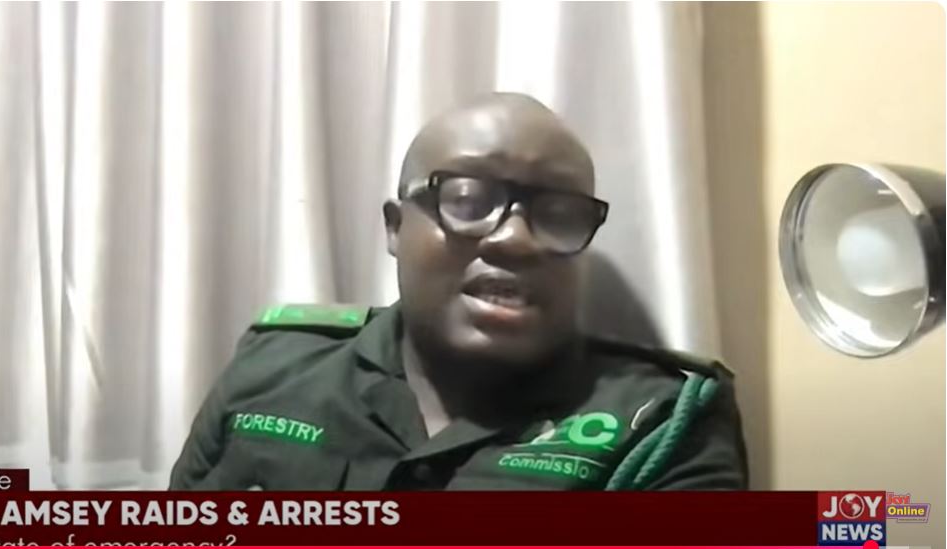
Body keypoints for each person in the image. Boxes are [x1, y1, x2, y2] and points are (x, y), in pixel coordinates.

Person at [170, 92, 748, 491]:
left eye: (558, 213)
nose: (515, 238)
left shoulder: (659, 426)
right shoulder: (272, 371)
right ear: (396, 227)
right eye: (468, 200)